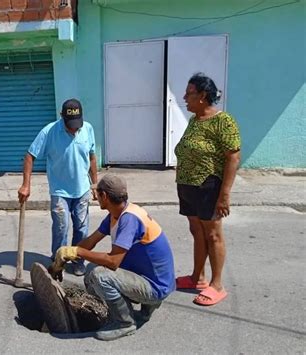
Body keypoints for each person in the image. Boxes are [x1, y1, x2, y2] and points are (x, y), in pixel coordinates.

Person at [49, 174, 175, 341]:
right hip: (153, 278)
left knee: (99, 276)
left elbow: (113, 262)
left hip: (155, 286)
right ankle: (144, 310)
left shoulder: (129, 219)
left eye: (97, 193)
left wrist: (78, 253)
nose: (95, 197)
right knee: (93, 270)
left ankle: (125, 323)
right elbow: (91, 242)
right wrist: (65, 255)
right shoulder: (118, 213)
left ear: (105, 196)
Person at [174, 73, 241, 306]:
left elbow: (233, 157)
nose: (184, 97)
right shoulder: (194, 120)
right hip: (188, 186)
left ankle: (217, 284)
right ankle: (197, 277)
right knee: (197, 231)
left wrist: (224, 194)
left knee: (212, 234)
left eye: (189, 93)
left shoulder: (224, 121)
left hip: (208, 186)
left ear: (203, 96)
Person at [18, 99, 97, 276]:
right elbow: (30, 156)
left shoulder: (88, 129)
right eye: (70, 125)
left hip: (82, 189)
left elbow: (92, 156)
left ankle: (78, 261)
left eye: (77, 124)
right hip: (60, 191)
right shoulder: (49, 131)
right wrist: (25, 184)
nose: (74, 129)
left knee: (82, 229)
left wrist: (95, 184)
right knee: (61, 228)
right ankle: (57, 261)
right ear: (62, 117)